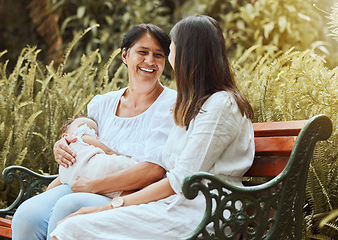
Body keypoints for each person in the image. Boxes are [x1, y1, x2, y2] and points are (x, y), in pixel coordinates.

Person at [50, 15, 255, 240]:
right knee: (70, 228)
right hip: (175, 204)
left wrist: (109, 207)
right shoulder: (193, 105)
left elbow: (181, 179)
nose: (168, 57)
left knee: (72, 229)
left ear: (188, 54)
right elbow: (169, 170)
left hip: (205, 212)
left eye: (170, 49)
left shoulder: (221, 105)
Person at [11, 23, 176, 240]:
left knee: (69, 208)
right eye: (142, 52)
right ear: (125, 55)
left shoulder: (172, 105)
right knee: (26, 216)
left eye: (158, 55)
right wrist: (64, 144)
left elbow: (154, 171)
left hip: (133, 195)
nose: (150, 61)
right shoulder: (103, 103)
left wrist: (92, 184)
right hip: (85, 184)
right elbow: (80, 136)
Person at [47, 116, 138, 199]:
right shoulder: (80, 137)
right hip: (101, 171)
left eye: (95, 131)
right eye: (84, 127)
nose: (91, 132)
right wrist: (119, 156)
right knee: (125, 167)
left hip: (85, 179)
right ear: (65, 136)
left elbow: (52, 186)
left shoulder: (63, 168)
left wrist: (47, 192)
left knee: (118, 192)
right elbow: (108, 151)